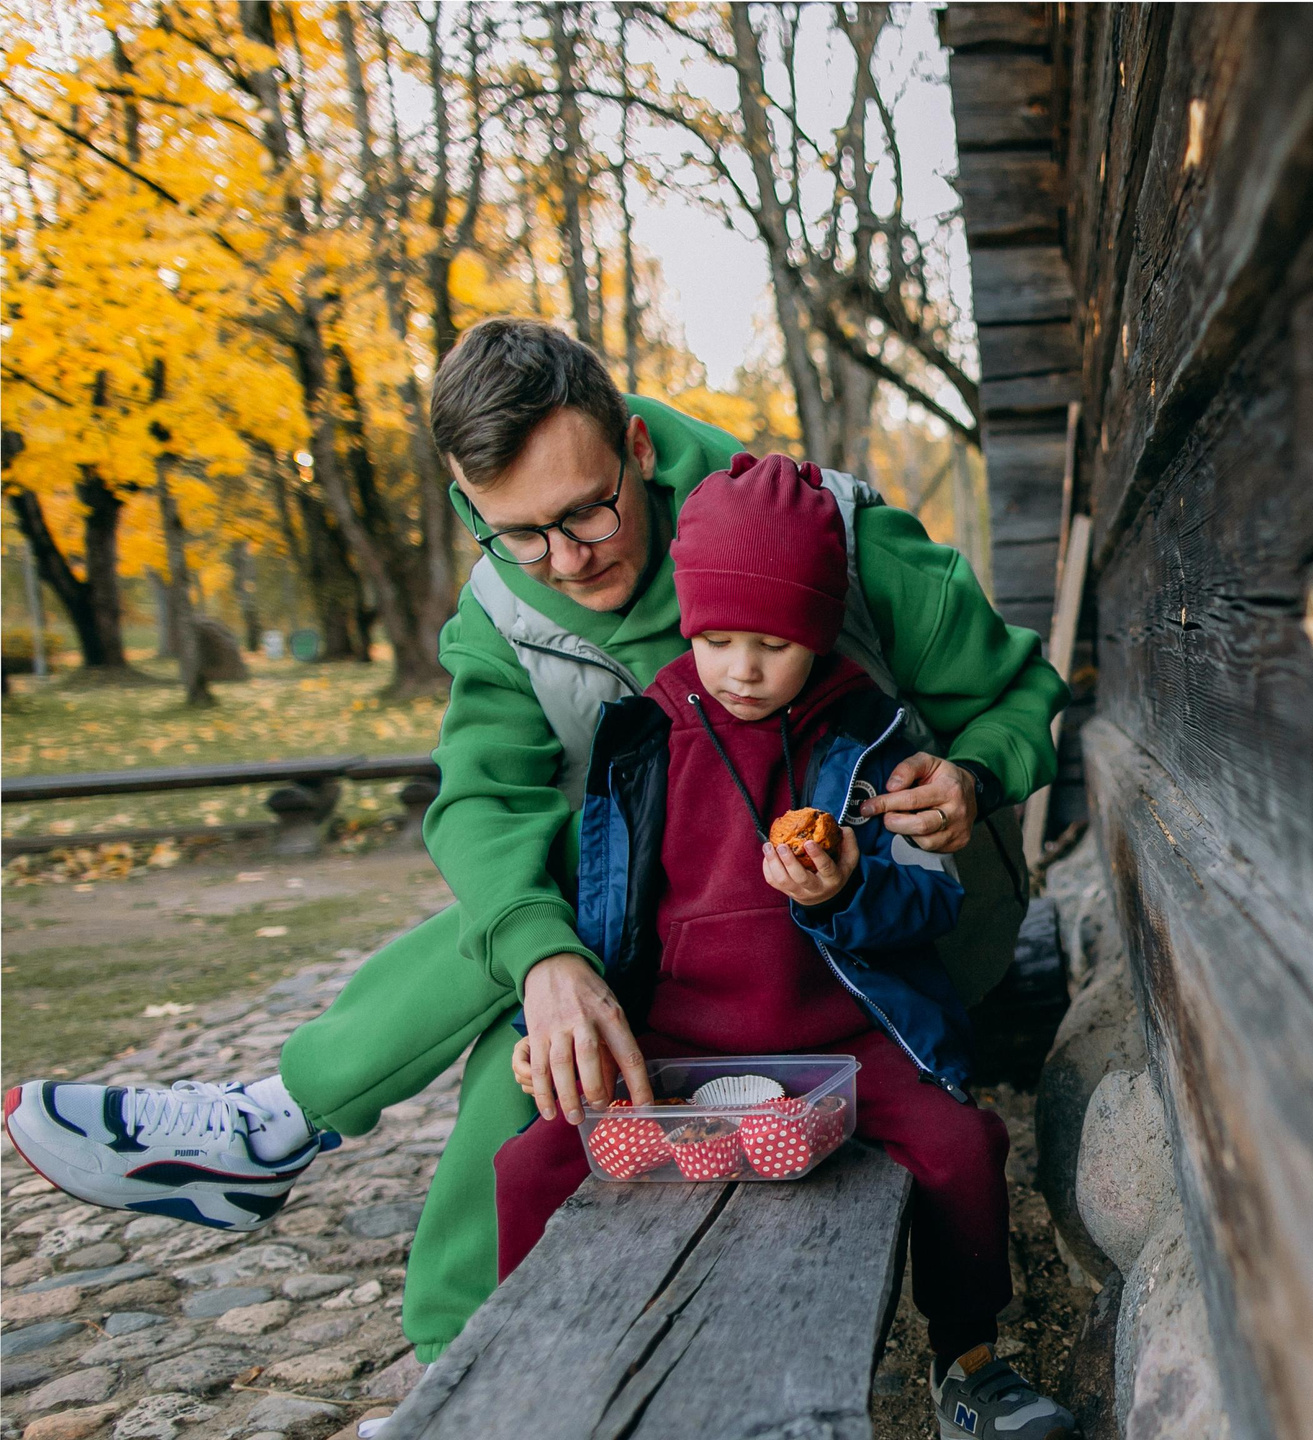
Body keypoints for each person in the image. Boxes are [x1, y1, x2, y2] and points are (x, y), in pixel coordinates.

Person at [4, 318, 1067, 1366]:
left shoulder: (819, 525)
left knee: (577, 856)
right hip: (696, 970)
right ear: (473, 506)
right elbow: (478, 803)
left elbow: (1016, 694)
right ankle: (447, 1372)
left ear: (638, 451)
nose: (562, 559)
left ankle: (281, 1116)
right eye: (519, 532)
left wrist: (971, 776)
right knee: (541, 1007)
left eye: (587, 515)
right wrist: (548, 962)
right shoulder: (498, 613)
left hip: (896, 941)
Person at [486, 451, 1073, 1440]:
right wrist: (538, 1029)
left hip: (843, 1031)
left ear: (817, 630)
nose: (742, 670)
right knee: (529, 1158)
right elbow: (607, 904)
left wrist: (846, 890)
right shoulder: (643, 736)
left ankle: (970, 1363)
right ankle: (530, 1371)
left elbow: (928, 898)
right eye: (717, 638)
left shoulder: (868, 734)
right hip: (675, 1037)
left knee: (960, 1148)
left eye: (774, 642)